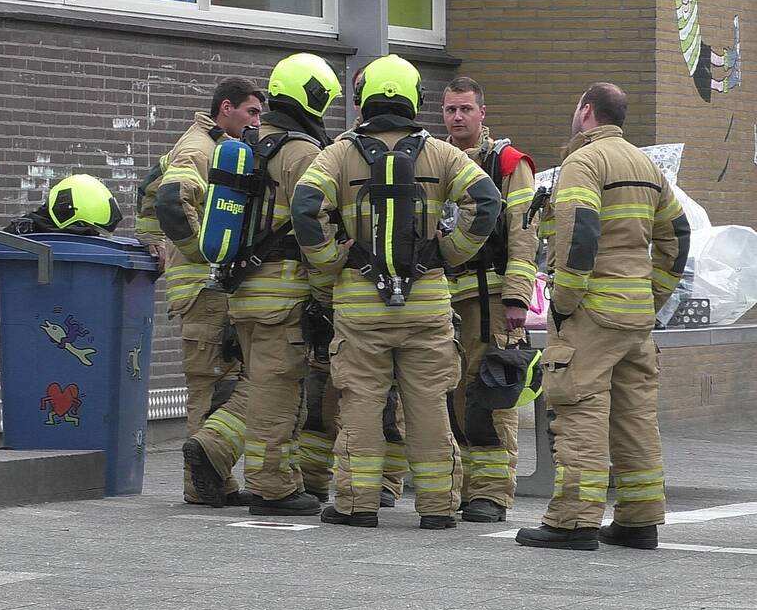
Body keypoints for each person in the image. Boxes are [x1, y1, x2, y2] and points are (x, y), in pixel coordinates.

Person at [291, 54, 502, 529]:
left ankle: (356, 504)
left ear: (364, 100)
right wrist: (450, 252)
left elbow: (307, 206)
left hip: (361, 307)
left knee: (362, 402)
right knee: (429, 402)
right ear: (415, 99)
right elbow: (486, 200)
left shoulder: (339, 153)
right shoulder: (440, 154)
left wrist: (329, 259)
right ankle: (439, 507)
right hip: (426, 303)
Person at [516, 82, 690, 550]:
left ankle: (573, 522)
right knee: (635, 417)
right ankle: (639, 520)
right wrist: (651, 296)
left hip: (591, 313)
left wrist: (565, 300)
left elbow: (580, 231)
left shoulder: (584, 161)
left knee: (579, 412)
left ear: (586, 110)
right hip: (635, 316)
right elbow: (677, 238)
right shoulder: (647, 165)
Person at [180, 53, 342, 516]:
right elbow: (313, 223)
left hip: (244, 289)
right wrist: (327, 282)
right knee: (279, 388)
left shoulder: (247, 142)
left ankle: (215, 443)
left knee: (259, 382)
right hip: (284, 290)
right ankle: (274, 486)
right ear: (312, 98)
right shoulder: (302, 153)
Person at [133, 77, 264, 507]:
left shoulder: (205, 145)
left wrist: (152, 240)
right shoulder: (200, 149)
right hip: (205, 290)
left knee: (224, 383)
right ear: (226, 108)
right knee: (210, 385)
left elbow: (148, 188)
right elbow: (171, 199)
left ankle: (218, 480)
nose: (256, 122)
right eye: (251, 112)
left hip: (207, 289)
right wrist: (198, 253)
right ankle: (199, 485)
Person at [441, 77, 538, 523]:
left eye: (465, 109)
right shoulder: (434, 160)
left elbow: (523, 233)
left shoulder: (508, 164)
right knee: (452, 397)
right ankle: (464, 487)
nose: (457, 118)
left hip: (492, 298)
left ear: (483, 113)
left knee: (490, 394)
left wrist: (517, 297)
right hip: (442, 300)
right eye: (450, 110)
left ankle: (492, 493)